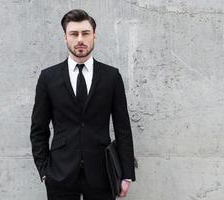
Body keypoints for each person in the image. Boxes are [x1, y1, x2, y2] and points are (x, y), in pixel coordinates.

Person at [30, 9, 136, 200]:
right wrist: (44, 170)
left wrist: (126, 173)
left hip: (102, 173)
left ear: (94, 36)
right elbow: (38, 129)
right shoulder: (48, 77)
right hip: (59, 174)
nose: (80, 39)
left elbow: (123, 128)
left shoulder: (111, 76)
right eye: (74, 34)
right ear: (65, 38)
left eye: (85, 33)